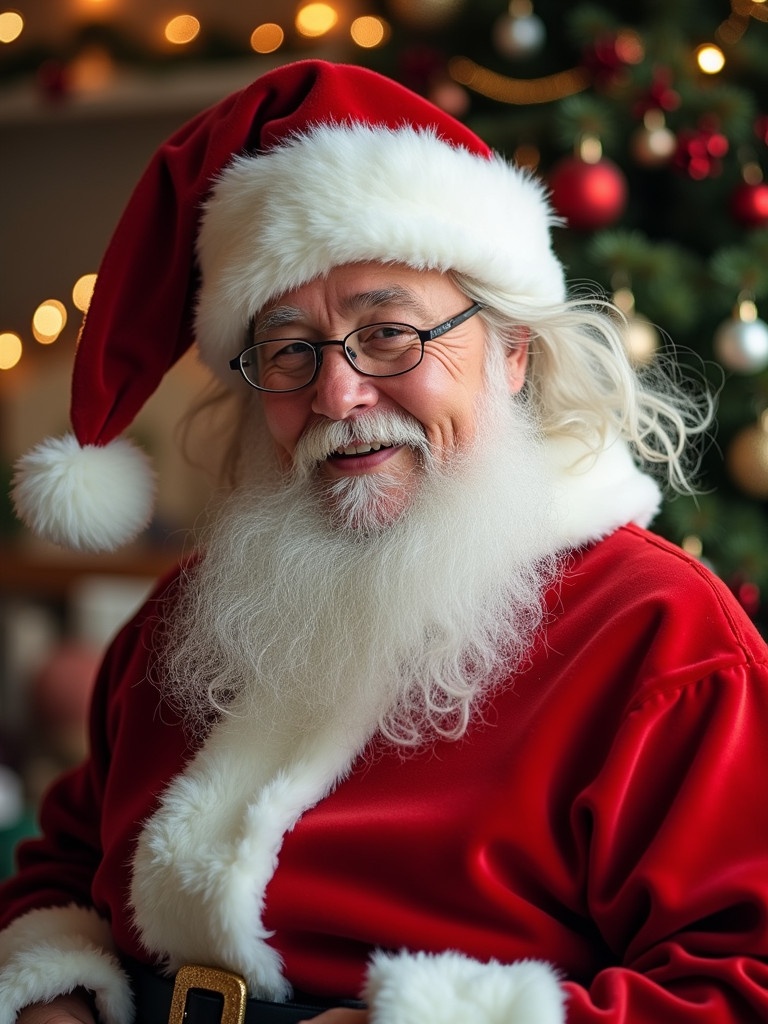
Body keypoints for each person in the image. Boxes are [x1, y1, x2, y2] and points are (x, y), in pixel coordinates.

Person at [1, 58, 767, 1024]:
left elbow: (742, 982)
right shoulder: (183, 617)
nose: (338, 394)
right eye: (290, 351)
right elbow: (61, 868)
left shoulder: (661, 635)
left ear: (512, 353)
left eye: (391, 334)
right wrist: (53, 992)